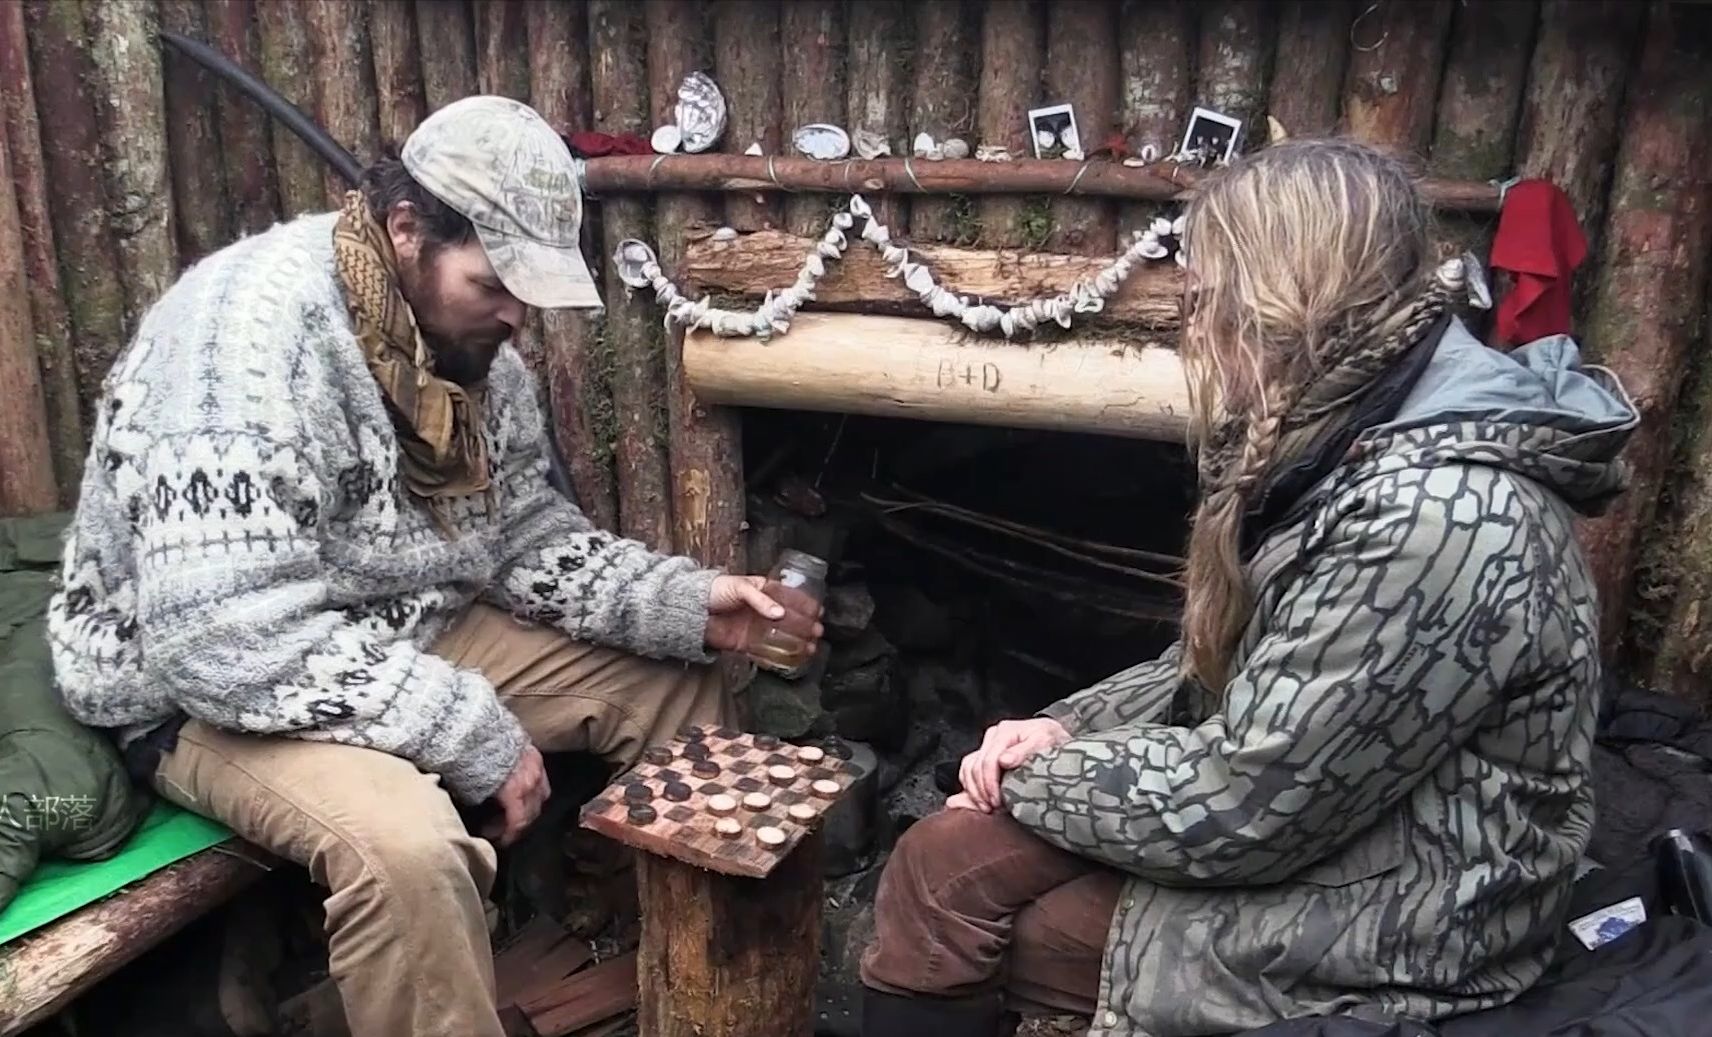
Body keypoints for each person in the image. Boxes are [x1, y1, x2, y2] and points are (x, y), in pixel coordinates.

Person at [46, 95, 819, 1037]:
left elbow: (521, 532)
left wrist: (685, 602)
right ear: (407, 229)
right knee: (408, 851)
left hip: (397, 626)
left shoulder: (470, 350)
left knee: (674, 689)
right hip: (194, 684)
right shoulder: (236, 351)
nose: (516, 318)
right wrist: (463, 724)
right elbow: (221, 637)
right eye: (494, 283)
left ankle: (673, 976)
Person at [858, 139, 1640, 1037]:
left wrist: (1034, 779)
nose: (1196, 324)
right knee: (938, 859)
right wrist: (1067, 726)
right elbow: (1218, 666)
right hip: (1336, 826)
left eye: (1211, 297)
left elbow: (1248, 804)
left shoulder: (1437, 514)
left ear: (1286, 296)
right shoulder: (1348, 429)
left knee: (1005, 924)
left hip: (1421, 904)